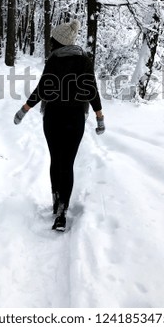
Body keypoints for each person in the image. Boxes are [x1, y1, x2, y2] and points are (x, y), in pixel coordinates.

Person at [14, 19, 105, 231]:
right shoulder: (84, 60)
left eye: (53, 39)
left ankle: (56, 200)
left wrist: (24, 109)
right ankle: (63, 208)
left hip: (53, 117)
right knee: (68, 163)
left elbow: (42, 89)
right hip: (75, 118)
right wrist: (99, 116)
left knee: (56, 160)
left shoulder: (54, 60)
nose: (50, 42)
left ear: (58, 41)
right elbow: (91, 89)